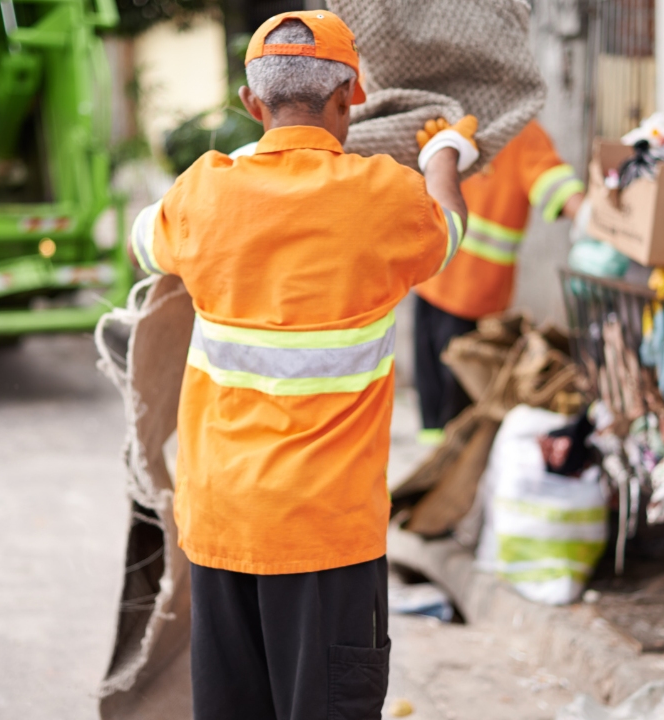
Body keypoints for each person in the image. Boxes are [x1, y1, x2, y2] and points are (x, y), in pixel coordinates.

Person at [126, 10, 477, 720]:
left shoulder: (202, 193)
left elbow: (145, 241)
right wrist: (445, 152)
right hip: (327, 536)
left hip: (222, 528)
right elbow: (449, 231)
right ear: (351, 97)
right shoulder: (384, 197)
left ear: (253, 105)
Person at [411, 119, 585, 443]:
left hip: (474, 294)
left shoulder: (521, 132)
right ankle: (433, 468)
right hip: (431, 278)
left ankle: (447, 466)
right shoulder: (453, 113)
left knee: (456, 401)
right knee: (432, 397)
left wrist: (588, 215)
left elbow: (551, 181)